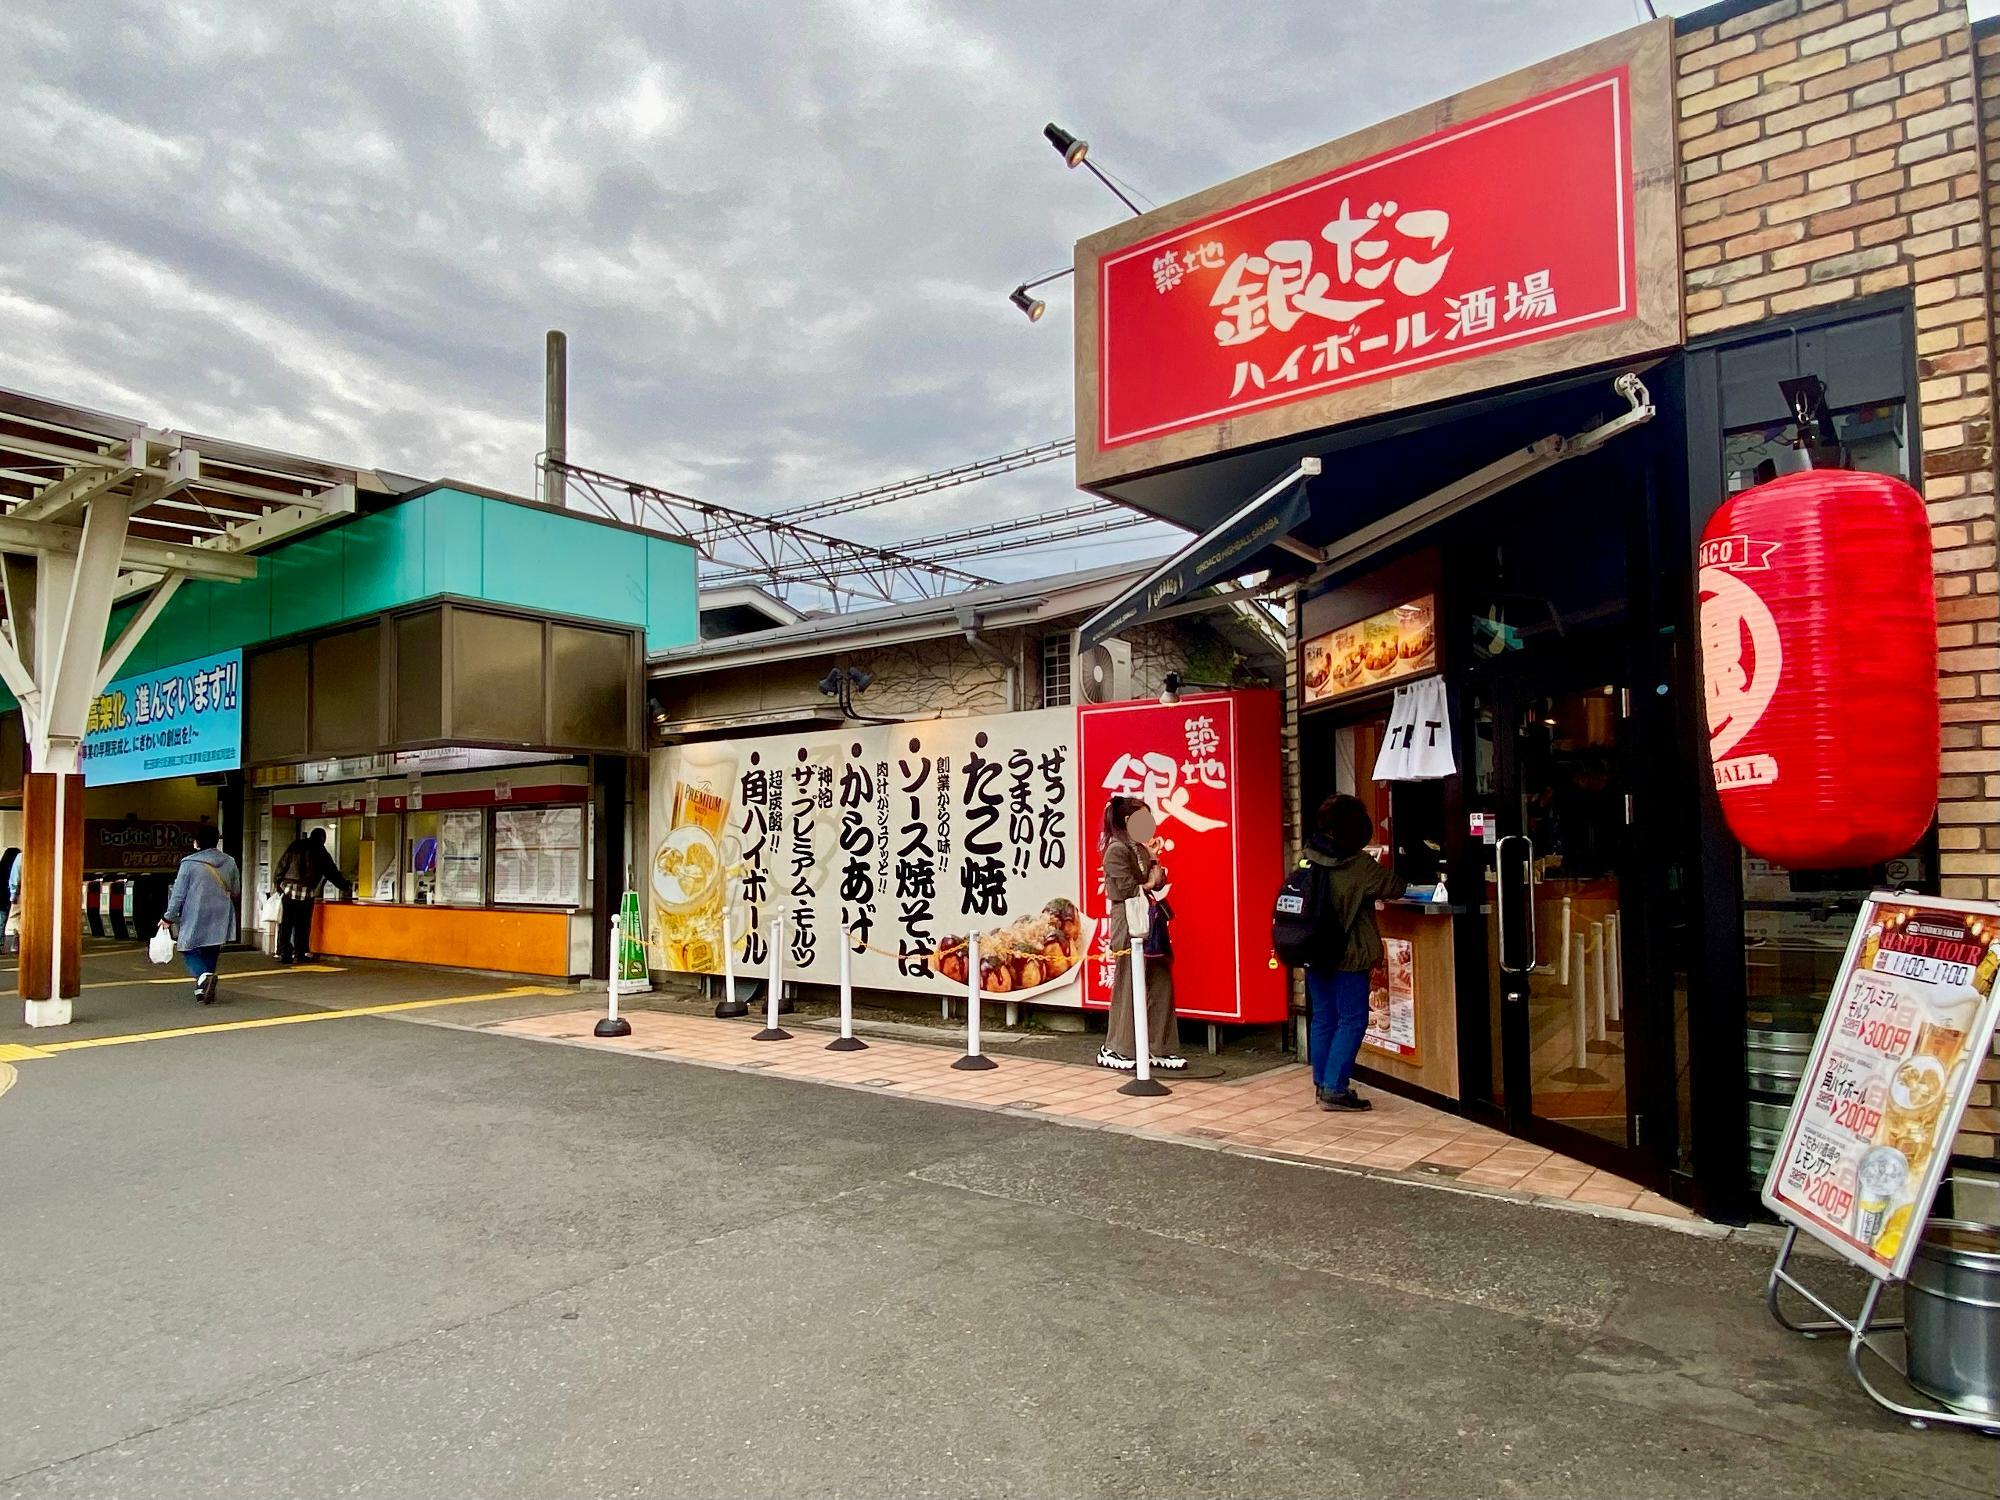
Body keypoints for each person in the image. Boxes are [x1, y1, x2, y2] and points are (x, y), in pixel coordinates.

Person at [1301, 793, 1402, 1111]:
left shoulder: (1308, 855)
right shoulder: (1357, 864)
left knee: (1323, 1017)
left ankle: (1323, 1082)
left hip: (1314, 950)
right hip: (1348, 954)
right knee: (1353, 1019)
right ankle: (1335, 1088)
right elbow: (1394, 886)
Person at [1098, 794, 1184, 1072]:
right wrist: (1149, 880)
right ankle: (1118, 1047)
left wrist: (1154, 859)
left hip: (1151, 920)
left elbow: (1158, 882)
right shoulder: (1116, 849)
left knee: (1160, 980)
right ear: (1127, 820)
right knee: (1128, 982)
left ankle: (1161, 1046)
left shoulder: (1140, 848)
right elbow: (1125, 889)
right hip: (1128, 922)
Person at [162, 825, 240, 1005]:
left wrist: (168, 917)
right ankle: (202, 989)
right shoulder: (229, 861)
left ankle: (202, 976)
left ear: (197, 842)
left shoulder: (189, 863)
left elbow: (179, 894)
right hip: (222, 910)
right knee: (211, 948)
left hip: (195, 911)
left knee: (187, 948)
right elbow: (236, 890)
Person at [273, 827, 351, 964]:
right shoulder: (320, 851)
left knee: (286, 924)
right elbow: (332, 872)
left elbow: (281, 865)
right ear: (322, 838)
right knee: (302, 925)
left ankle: (284, 953)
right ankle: (299, 953)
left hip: (289, 889)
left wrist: (278, 884)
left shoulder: (295, 845)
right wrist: (345, 886)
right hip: (306, 892)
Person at [0, 846, 19, 956]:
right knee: (2, 922)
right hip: (4, 900)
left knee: (2, 922)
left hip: (3, 899)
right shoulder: (9, 870)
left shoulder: (3, 867)